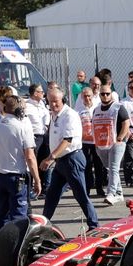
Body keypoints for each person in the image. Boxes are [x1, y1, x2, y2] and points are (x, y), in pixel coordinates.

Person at [40, 87, 98, 229]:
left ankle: (94, 225)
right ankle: (43, 225)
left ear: (63, 100)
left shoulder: (69, 115)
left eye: (56, 102)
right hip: (61, 161)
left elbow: (68, 140)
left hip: (72, 159)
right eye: (50, 102)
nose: (53, 105)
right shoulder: (54, 115)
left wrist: (50, 158)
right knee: (52, 194)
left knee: (81, 195)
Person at [0, 95, 41, 232]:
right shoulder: (23, 128)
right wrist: (37, 180)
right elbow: (30, 157)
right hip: (17, 177)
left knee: (2, 215)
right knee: (19, 217)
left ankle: (0, 248)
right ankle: (16, 249)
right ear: (20, 111)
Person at [92, 86, 130, 204]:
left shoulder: (119, 107)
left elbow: (126, 123)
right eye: (102, 94)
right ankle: (119, 193)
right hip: (101, 144)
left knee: (114, 168)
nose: (105, 96)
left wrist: (120, 137)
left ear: (111, 94)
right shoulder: (96, 109)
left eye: (107, 94)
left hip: (116, 143)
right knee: (109, 168)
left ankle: (111, 193)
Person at [76, 87, 105, 197]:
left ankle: (100, 188)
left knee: (99, 166)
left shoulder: (98, 108)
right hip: (85, 142)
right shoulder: (78, 110)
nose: (87, 98)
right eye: (85, 96)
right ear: (82, 97)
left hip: (97, 141)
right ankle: (87, 188)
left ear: (92, 96)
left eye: (89, 96)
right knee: (87, 166)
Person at [24, 83, 50, 197]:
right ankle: (31, 189)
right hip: (34, 136)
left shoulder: (42, 104)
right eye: (41, 92)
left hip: (44, 135)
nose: (43, 94)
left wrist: (47, 126)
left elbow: (47, 116)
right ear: (35, 93)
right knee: (32, 162)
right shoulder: (26, 106)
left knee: (44, 160)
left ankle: (44, 188)